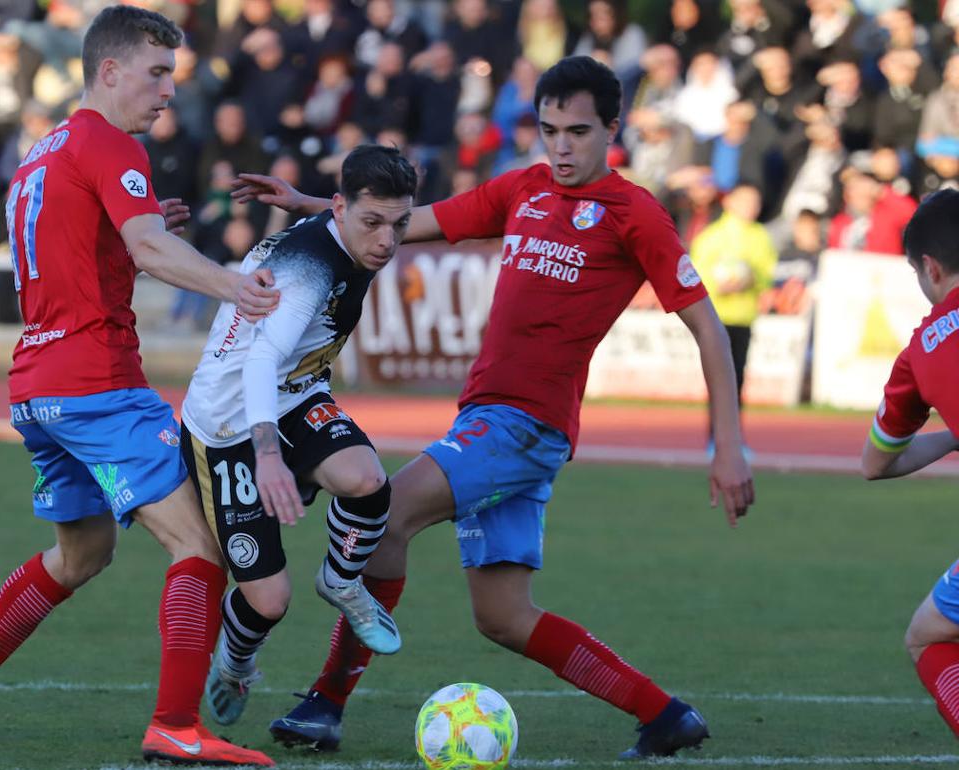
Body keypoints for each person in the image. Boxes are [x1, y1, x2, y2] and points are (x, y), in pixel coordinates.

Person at [233, 55, 755, 759]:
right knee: (503, 617)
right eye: (549, 130)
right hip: (493, 423)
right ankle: (664, 715)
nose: (561, 147)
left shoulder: (636, 215)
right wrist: (313, 205)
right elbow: (419, 221)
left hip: (521, 427)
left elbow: (709, 328)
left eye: (577, 131)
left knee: (382, 517)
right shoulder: (526, 189)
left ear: (612, 129)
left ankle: (325, 704)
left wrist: (727, 446)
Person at [0, 7, 279, 766]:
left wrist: (136, 231)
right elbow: (147, 246)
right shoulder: (113, 144)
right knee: (199, 544)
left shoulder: (42, 153)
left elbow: (93, 243)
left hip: (36, 385)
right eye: (157, 73)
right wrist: (235, 286)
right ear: (108, 71)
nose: (168, 91)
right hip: (96, 383)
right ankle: (177, 724)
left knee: (80, 554)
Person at [180, 145, 417, 727]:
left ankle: (341, 583)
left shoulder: (342, 228)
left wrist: (305, 202)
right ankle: (235, 662)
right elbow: (261, 361)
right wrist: (266, 457)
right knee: (269, 600)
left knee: (367, 480)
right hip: (232, 421)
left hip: (296, 395)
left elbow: (359, 213)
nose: (387, 240)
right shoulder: (309, 267)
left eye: (400, 224)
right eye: (373, 223)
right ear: (340, 210)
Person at [860, 188, 959, 739]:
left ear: (929, 266)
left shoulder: (922, 349)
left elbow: (876, 463)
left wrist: (947, 439)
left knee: (929, 636)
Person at [690, 183, 778, 446]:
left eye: (756, 202)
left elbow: (766, 273)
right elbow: (698, 273)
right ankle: (716, 438)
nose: (752, 208)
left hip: (744, 317)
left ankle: (731, 438)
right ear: (730, 202)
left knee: (737, 379)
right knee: (719, 380)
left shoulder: (760, 235)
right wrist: (720, 285)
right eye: (746, 201)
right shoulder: (712, 236)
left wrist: (751, 279)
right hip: (715, 319)